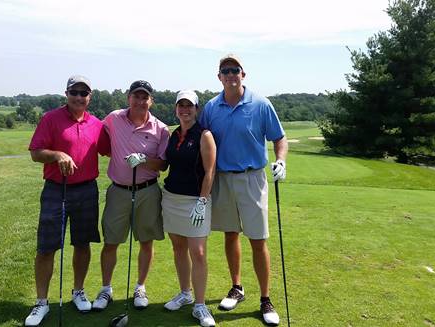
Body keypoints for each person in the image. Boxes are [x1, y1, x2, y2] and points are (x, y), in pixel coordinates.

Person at [198, 54, 288, 326]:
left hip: (252, 178)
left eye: (234, 70)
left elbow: (279, 138)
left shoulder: (261, 104)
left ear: (242, 74)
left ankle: (265, 298)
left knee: (258, 239)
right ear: (219, 77)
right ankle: (237, 287)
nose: (230, 75)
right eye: (225, 71)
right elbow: (201, 140)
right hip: (223, 179)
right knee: (230, 234)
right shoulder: (211, 107)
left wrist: (281, 160)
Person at [24, 75, 110, 326]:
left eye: (84, 93)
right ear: (66, 93)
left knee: (83, 244)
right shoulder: (51, 119)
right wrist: (58, 154)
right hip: (56, 189)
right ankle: (42, 302)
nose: (79, 97)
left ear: (90, 97)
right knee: (46, 247)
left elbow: (109, 149)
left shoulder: (96, 123)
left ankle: (78, 291)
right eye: (74, 92)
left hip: (87, 190)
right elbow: (36, 153)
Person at [92, 80, 170, 311]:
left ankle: (140, 287)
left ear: (151, 101)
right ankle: (106, 289)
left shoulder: (161, 129)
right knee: (111, 242)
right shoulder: (114, 118)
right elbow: (95, 134)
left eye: (144, 97)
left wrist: (145, 159)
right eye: (136, 96)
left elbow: (163, 164)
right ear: (129, 98)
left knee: (146, 241)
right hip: (119, 190)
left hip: (148, 190)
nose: (140, 101)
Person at [161, 90, 217, 327]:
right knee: (178, 248)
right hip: (172, 198)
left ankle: (200, 305)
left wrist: (202, 201)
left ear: (196, 109)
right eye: (180, 105)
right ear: (176, 108)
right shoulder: (174, 135)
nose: (185, 109)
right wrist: (142, 159)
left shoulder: (204, 135)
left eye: (189, 106)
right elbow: (165, 165)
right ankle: (185, 293)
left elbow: (210, 171)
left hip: (195, 201)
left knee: (199, 253)